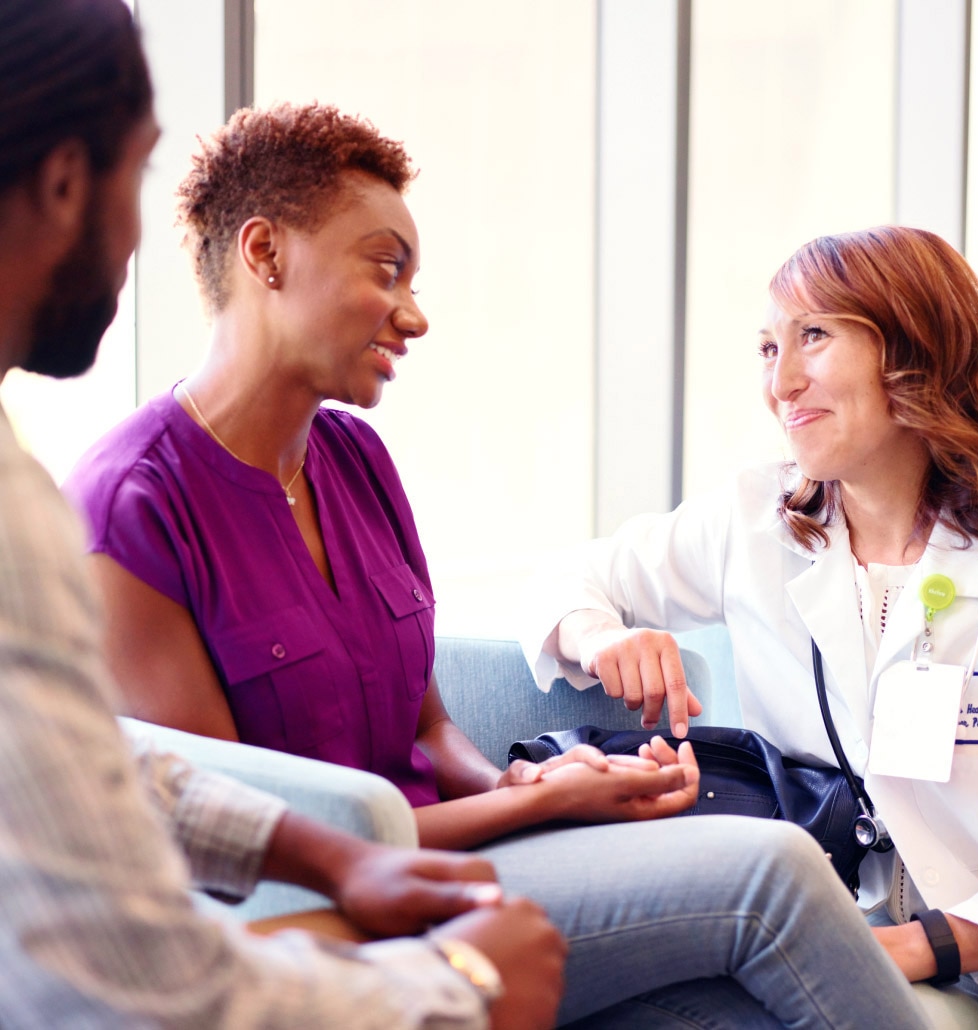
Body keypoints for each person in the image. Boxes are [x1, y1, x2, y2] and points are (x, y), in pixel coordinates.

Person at [63, 101, 932, 1027]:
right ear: (266, 254)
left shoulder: (355, 462)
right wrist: (530, 807)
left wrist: (527, 785)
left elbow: (426, 729)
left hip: (464, 858)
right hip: (330, 922)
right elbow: (251, 844)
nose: (415, 314)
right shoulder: (130, 510)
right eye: (386, 268)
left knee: (732, 1008)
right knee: (775, 873)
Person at [0, 2, 569, 1027]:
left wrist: (345, 853)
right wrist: (460, 992)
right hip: (299, 933)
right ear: (62, 181)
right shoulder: (81, 512)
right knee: (764, 884)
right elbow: (134, 979)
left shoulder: (352, 458)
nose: (143, 234)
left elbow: (98, 762)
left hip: (387, 874)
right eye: (135, 174)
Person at [520, 225, 978, 1027]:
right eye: (766, 347)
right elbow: (563, 581)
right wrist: (600, 637)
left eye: (813, 336)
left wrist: (934, 943)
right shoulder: (757, 521)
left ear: (915, 351)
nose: (781, 382)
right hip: (852, 927)